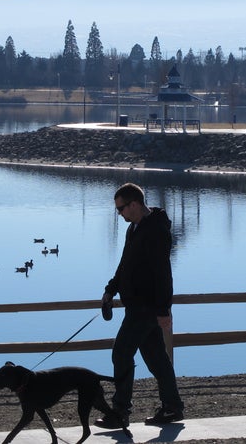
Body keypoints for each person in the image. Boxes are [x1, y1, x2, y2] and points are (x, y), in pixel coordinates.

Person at [95, 182, 185, 429]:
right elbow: (126, 264)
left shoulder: (155, 229)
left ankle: (121, 412)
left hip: (147, 307)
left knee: (121, 353)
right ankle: (172, 408)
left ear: (134, 204)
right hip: (138, 306)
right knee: (156, 359)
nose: (119, 214)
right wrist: (111, 289)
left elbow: (163, 272)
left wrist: (164, 310)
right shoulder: (134, 228)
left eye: (121, 208)